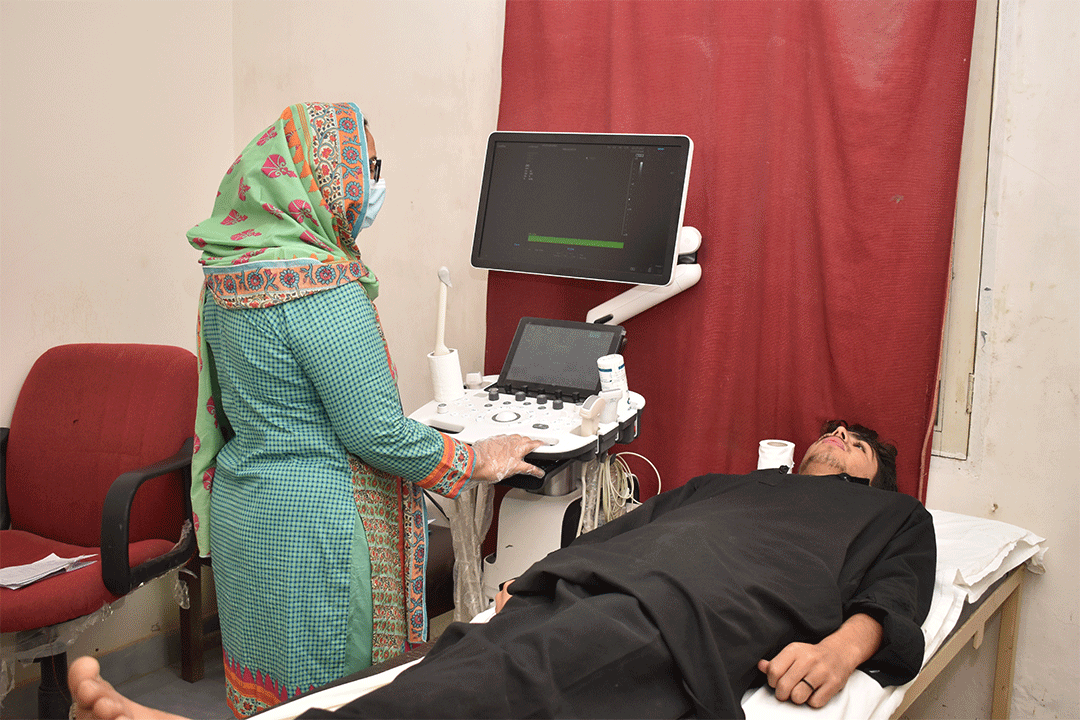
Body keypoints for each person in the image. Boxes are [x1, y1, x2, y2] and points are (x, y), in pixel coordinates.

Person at [69, 419, 935, 720]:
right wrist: (548, 572)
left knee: (515, 679)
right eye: (834, 430)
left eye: (857, 442)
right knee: (461, 659)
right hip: (602, 582)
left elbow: (894, 598)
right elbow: (635, 524)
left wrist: (841, 650)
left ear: (874, 477)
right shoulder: (728, 483)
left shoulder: (891, 517)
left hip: (686, 612)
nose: (839, 437)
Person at [184, 101, 543, 716]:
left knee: (273, 703)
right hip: (316, 534)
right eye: (366, 166)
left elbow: (215, 407)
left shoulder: (226, 273)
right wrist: (480, 458)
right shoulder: (322, 287)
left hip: (249, 516)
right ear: (321, 175)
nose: (374, 183)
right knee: (335, 701)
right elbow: (377, 432)